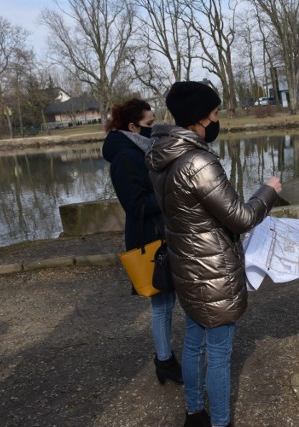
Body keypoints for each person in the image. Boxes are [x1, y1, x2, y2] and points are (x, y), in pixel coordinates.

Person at [145, 81, 282, 427]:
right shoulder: (198, 162)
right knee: (219, 351)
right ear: (200, 117)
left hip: (187, 266)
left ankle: (194, 413)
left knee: (194, 342)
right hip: (212, 269)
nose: (218, 119)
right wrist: (269, 190)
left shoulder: (163, 156)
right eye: (215, 112)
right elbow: (242, 217)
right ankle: (219, 422)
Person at [102, 98, 183, 386]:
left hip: (160, 234)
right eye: (149, 124)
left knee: (167, 301)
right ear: (133, 126)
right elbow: (135, 206)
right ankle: (164, 361)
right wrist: (169, 195)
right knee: (161, 304)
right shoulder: (125, 157)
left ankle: (165, 359)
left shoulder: (140, 149)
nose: (154, 128)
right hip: (148, 240)